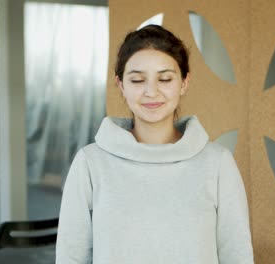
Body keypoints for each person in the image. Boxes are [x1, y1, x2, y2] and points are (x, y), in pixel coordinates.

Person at [56, 24, 254, 264]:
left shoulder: (217, 163)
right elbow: (71, 256)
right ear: (121, 85)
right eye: (138, 80)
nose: (151, 92)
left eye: (165, 78)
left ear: (184, 82)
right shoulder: (90, 163)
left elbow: (237, 255)